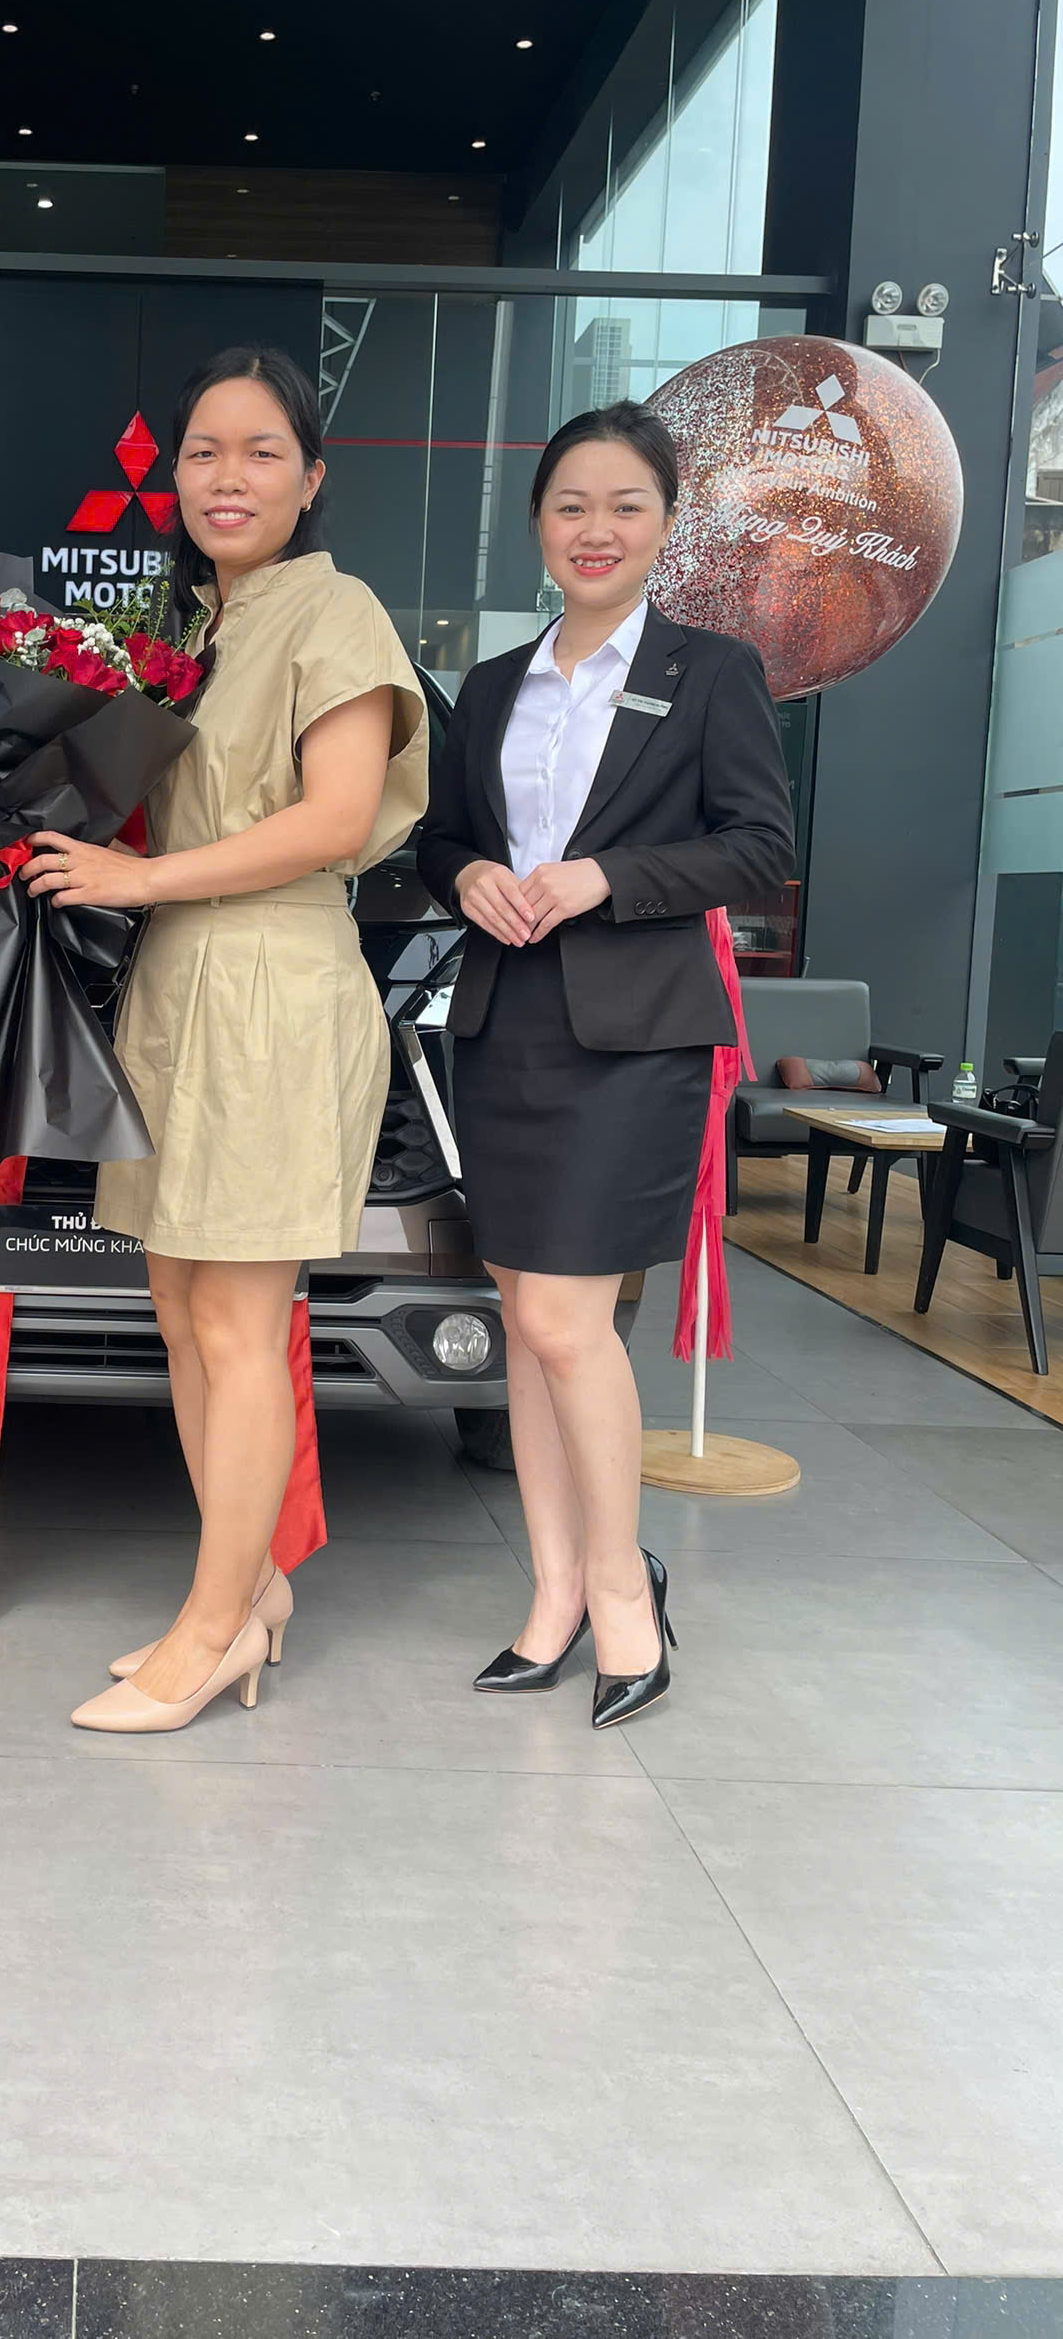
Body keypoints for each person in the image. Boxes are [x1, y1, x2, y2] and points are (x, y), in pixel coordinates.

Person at [22, 346, 430, 1733]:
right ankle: (247, 1592)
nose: (226, 477)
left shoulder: (336, 611)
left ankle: (209, 1635)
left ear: (311, 480)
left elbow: (335, 818)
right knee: (181, 1312)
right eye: (203, 451)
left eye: (261, 452)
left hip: (271, 982)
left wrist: (135, 877)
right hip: (181, 982)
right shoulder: (193, 628)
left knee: (241, 1323)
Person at [414, 402, 795, 1729]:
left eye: (626, 504)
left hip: (635, 1036)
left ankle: (627, 1591)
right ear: (537, 523)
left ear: (666, 523)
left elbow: (760, 846)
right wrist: (468, 875)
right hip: (502, 1024)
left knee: (570, 1324)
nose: (596, 529)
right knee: (526, 1323)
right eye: (571, 504)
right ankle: (555, 1591)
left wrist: (604, 877)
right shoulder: (491, 686)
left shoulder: (713, 672)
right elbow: (438, 838)